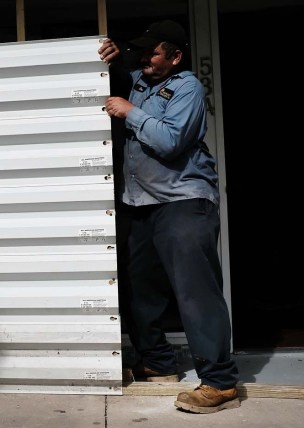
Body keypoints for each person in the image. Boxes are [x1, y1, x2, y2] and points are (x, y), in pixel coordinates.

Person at [98, 20, 240, 414]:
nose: (145, 58)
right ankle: (157, 365)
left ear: (175, 56)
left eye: (154, 52)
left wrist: (130, 113)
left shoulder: (186, 87)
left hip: (184, 201)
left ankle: (220, 382)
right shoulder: (137, 80)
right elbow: (109, 75)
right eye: (142, 52)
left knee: (195, 291)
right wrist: (108, 59)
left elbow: (170, 140)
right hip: (141, 203)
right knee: (138, 287)